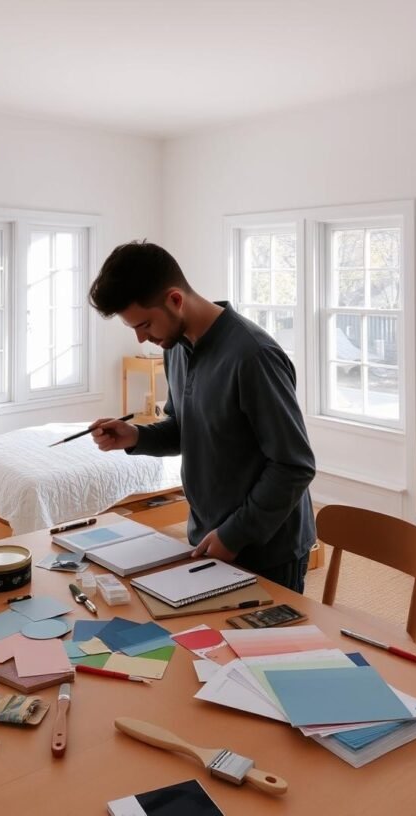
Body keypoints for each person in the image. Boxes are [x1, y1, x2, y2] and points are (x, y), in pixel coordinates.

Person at [88, 241, 316, 593]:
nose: (142, 338)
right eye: (134, 328)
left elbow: (294, 465)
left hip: (267, 548)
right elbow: (185, 430)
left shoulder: (253, 356)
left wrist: (234, 534)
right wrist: (135, 436)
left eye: (145, 324)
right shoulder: (175, 348)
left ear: (175, 300)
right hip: (209, 537)